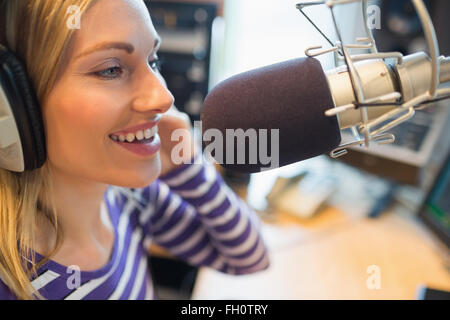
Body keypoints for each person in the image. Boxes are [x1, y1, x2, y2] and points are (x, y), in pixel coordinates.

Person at [0, 0, 269, 300]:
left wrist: (189, 167)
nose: (163, 97)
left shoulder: (127, 198)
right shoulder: (14, 285)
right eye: (111, 69)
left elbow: (249, 257)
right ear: (13, 103)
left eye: (153, 61)